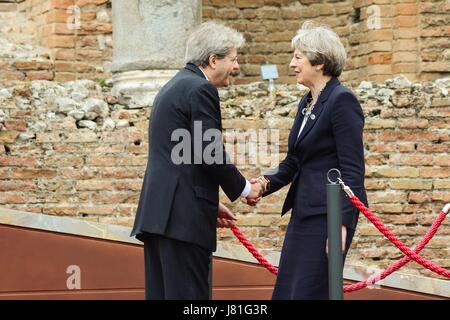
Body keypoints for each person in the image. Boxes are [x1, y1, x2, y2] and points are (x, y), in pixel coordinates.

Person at [131, 21, 262, 300]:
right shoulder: (200, 90)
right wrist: (245, 189)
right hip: (181, 224)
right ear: (213, 60)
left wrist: (208, 202)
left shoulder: (173, 87)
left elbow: (181, 157)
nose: (236, 67)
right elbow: (209, 151)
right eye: (233, 59)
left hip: (161, 218)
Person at [249, 21, 368, 299]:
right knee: (288, 293)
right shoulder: (307, 102)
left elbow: (353, 171)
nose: (292, 64)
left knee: (310, 292)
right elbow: (294, 161)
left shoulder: (342, 101)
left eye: (298, 57)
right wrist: (262, 184)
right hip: (303, 214)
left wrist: (341, 226)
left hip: (328, 217)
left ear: (319, 62)